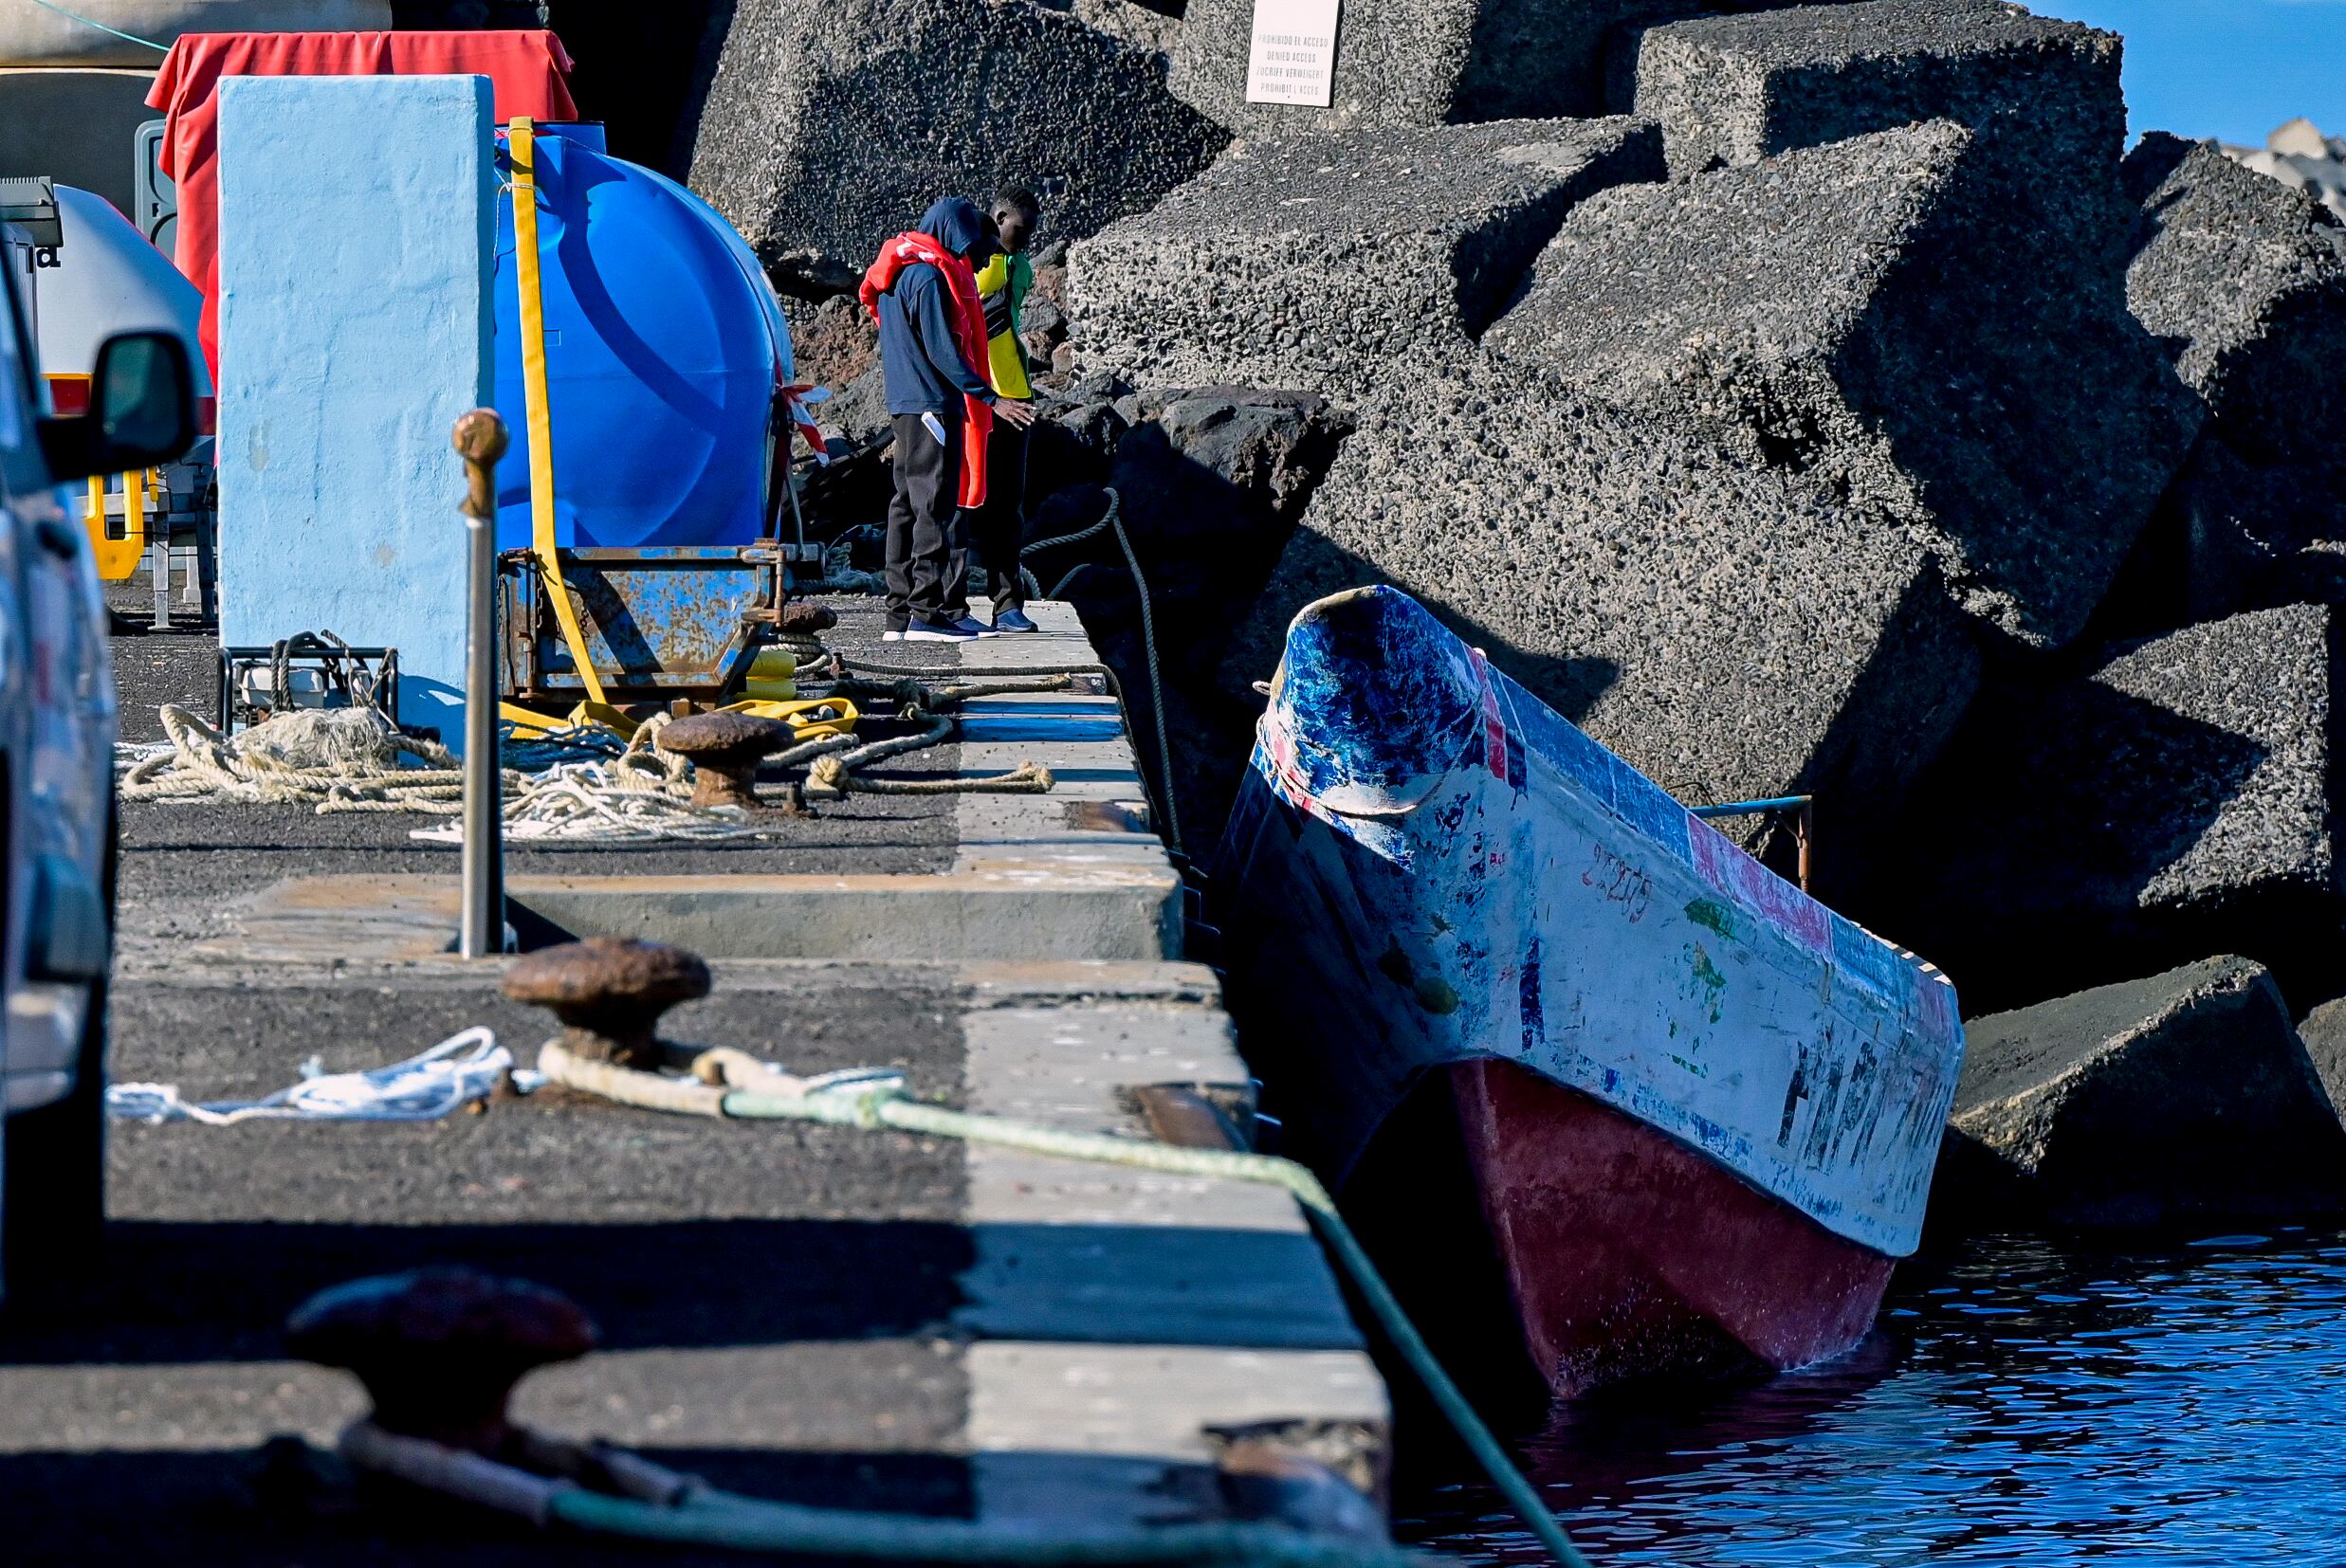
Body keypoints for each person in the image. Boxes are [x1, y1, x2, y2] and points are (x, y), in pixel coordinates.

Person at [859, 196, 1036, 642]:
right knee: (934, 506)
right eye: (969, 246)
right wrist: (990, 398)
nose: (970, 258)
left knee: (904, 504)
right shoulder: (929, 279)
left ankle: (899, 614)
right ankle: (926, 613)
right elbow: (944, 352)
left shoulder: (898, 275)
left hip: (905, 404)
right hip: (933, 405)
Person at [952, 189, 1044, 633]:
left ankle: (1008, 603)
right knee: (959, 499)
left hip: (1015, 395)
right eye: (1020, 231)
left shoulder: (1020, 265)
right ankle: (946, 605)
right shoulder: (967, 260)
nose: (1025, 240)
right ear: (999, 216)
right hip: (974, 398)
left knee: (1008, 506)